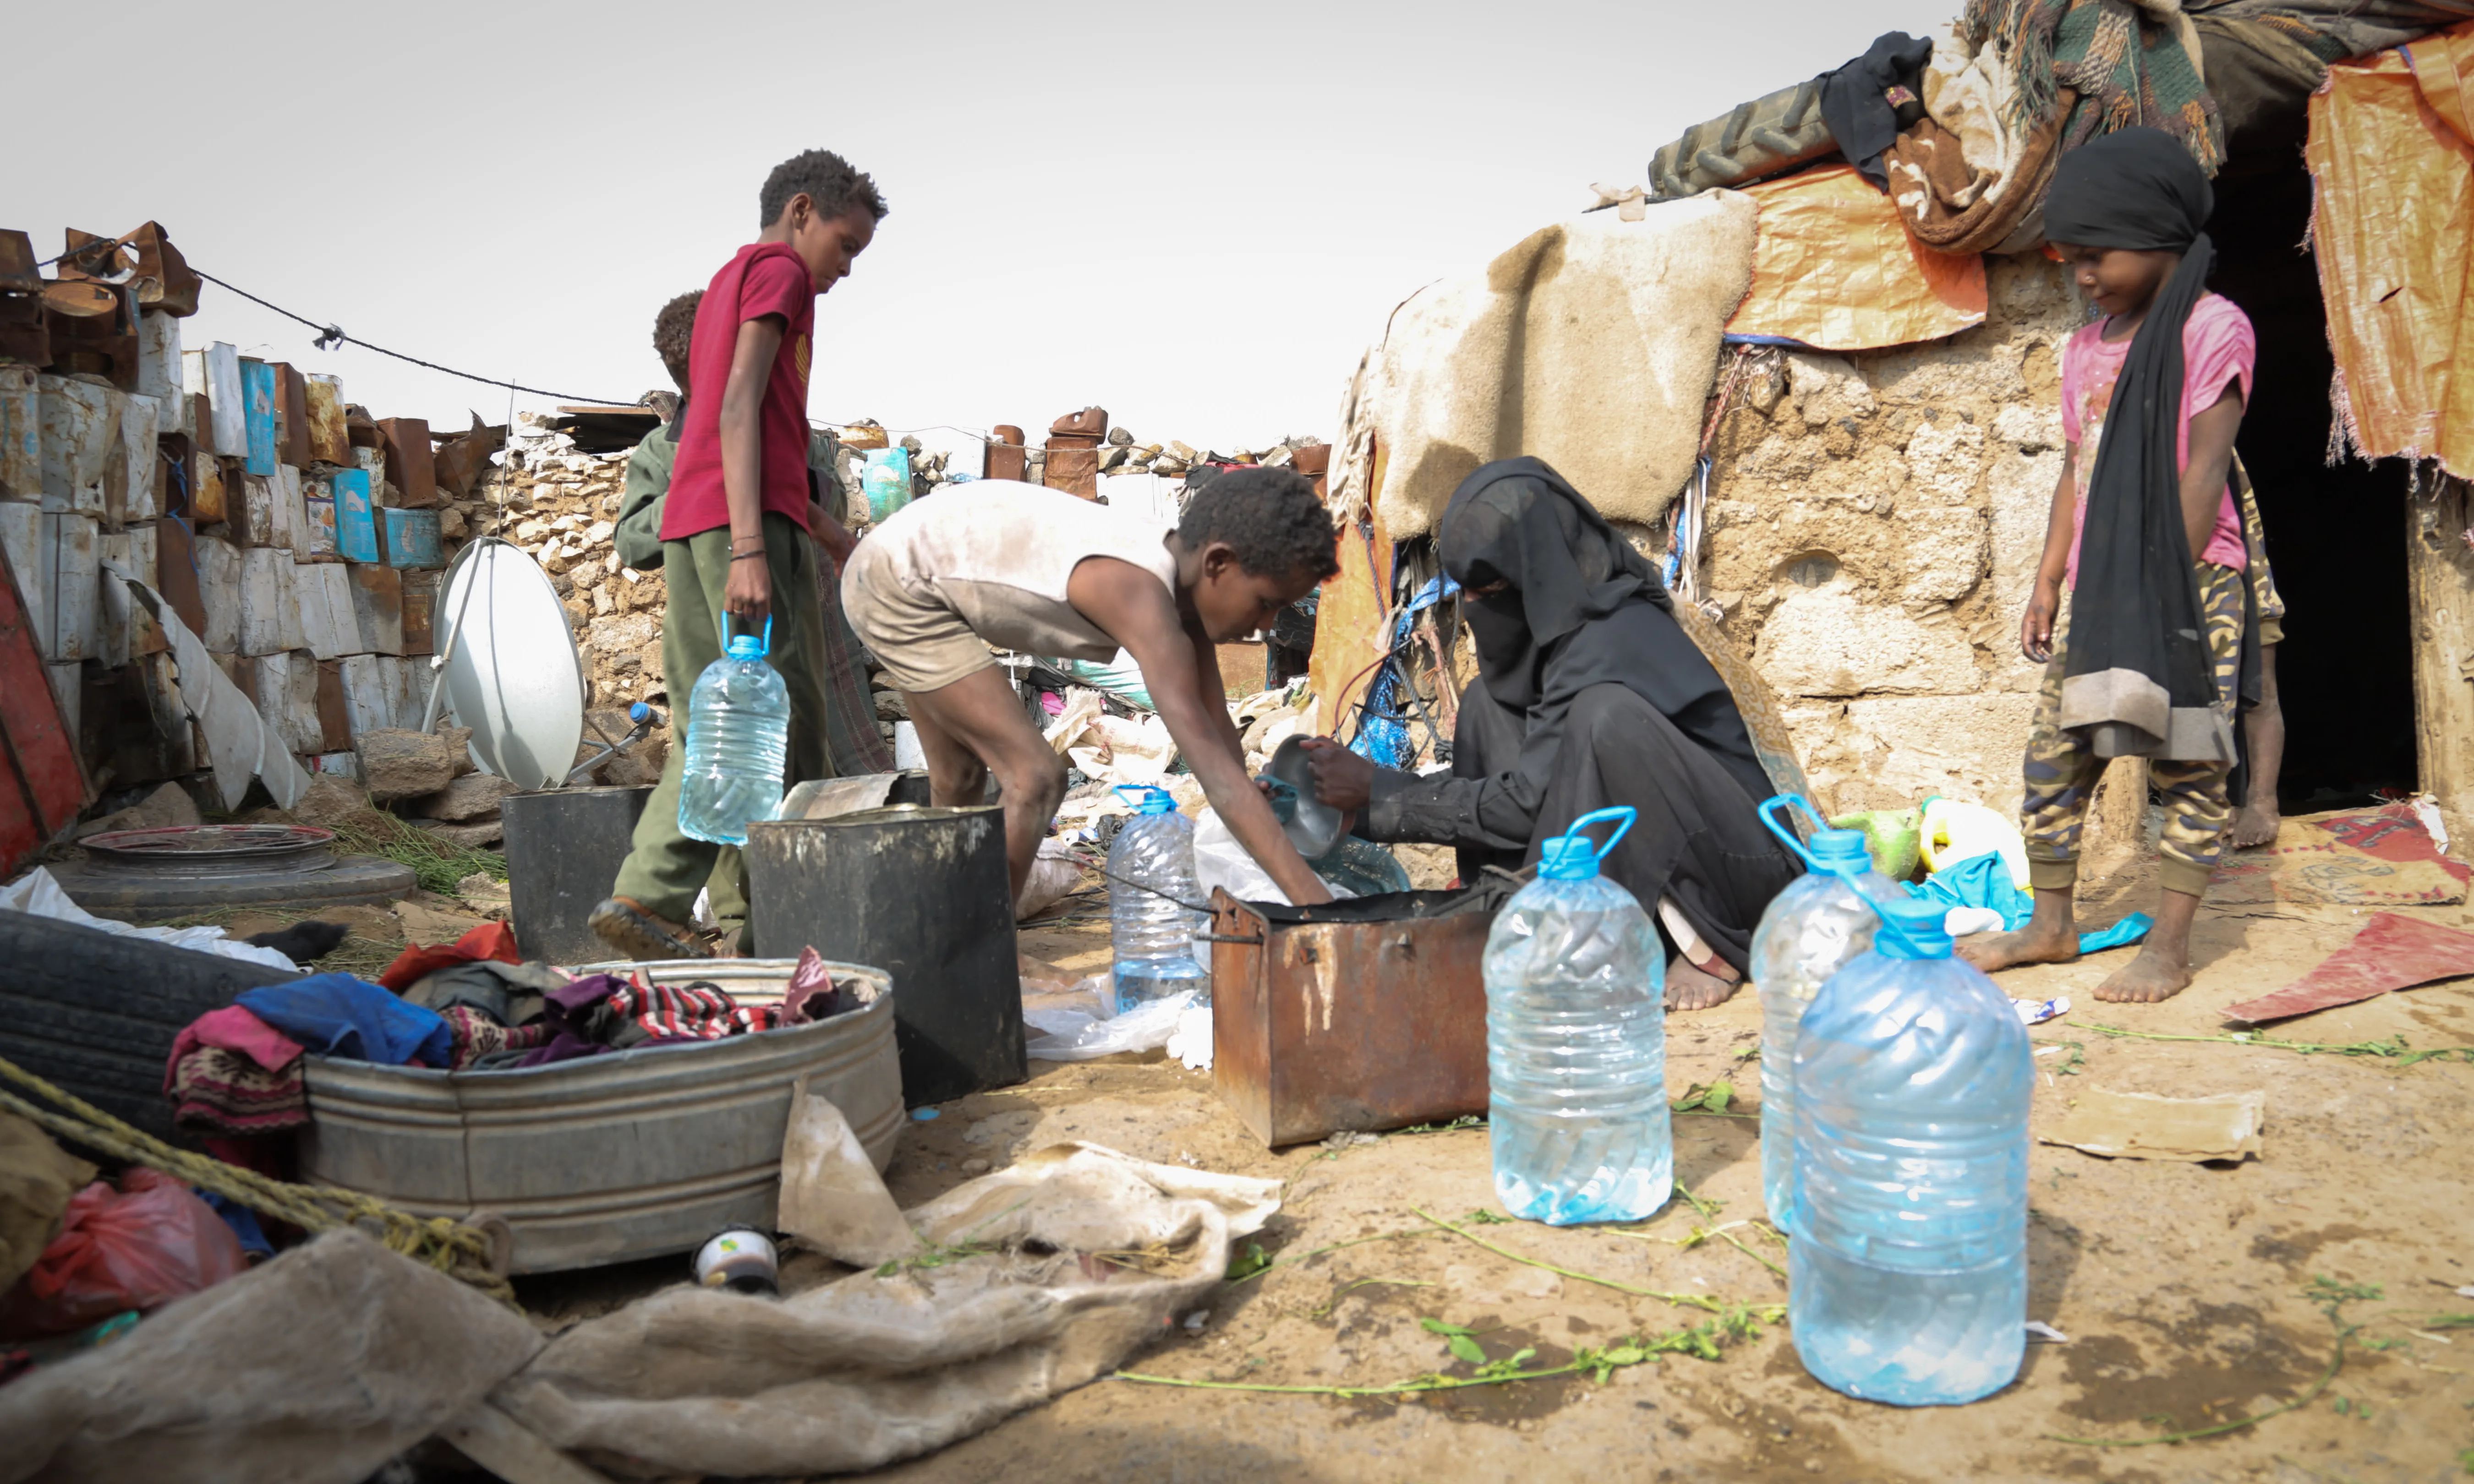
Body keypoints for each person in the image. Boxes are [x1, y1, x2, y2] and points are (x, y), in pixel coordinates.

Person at [1296, 456, 1807, 1010]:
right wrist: (1358, 812)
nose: (1474, 607)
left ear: (1536, 571)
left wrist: (1381, 790)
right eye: (1467, 590)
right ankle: (1522, 906)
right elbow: (1530, 782)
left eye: (1490, 587)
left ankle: (1711, 944)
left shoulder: (1613, 633)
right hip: (1650, 850)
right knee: (1487, 703)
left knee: (1605, 716)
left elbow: (1526, 802)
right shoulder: (1553, 643)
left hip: (1739, 868)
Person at [1958, 127, 2256, 1004]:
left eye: (2097, 256)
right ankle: (2052, 926)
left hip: (2190, 583)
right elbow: (2075, 470)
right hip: (2100, 590)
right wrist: (2049, 579)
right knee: (2056, 759)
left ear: (2159, 238)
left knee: (2189, 766)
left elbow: (2205, 469)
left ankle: (2169, 947)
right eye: (2071, 259)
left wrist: (2164, 590)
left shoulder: (2213, 328)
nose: (2082, 276)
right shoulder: (2085, 348)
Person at [590, 148, 886, 962]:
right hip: (737, 527)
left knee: (733, 719)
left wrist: (832, 535)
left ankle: (721, 920)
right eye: (846, 245)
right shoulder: (779, 272)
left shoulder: (733, 278)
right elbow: (737, 407)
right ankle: (683, 905)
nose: (846, 268)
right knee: (768, 723)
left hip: (714, 521)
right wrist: (752, 549)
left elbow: (764, 432)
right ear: (802, 212)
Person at [841, 467, 1339, 906]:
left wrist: (1250, 798)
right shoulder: (1140, 591)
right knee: (1036, 777)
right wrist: (1318, 907)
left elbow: (1220, 744)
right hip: (900, 584)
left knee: (959, 781)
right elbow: (1217, 779)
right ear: (1219, 564)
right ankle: (977, 957)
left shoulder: (1184, 593)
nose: (1266, 626)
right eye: (1266, 603)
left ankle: (935, 926)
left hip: (912, 569)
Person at [615, 291, 894, 780]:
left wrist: (778, 482)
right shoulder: (660, 452)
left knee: (846, 769)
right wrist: (701, 489)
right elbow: (632, 543)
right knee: (743, 774)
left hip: (814, 628)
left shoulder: (791, 431)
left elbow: (834, 505)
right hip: (724, 637)